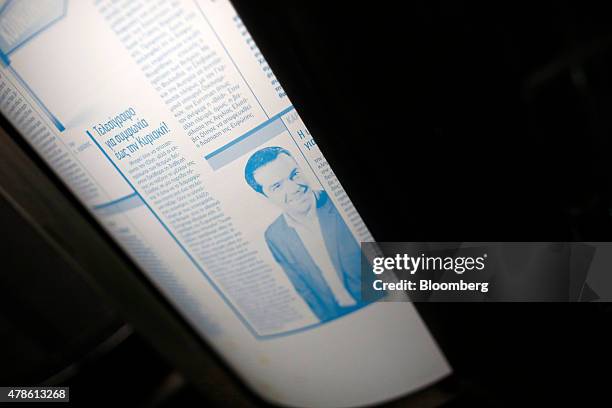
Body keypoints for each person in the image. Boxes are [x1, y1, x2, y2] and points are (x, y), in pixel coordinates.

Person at [245, 146, 365, 322]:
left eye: (294, 174)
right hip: (336, 317)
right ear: (265, 196)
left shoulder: (340, 200)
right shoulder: (274, 235)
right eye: (277, 186)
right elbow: (303, 288)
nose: (294, 188)